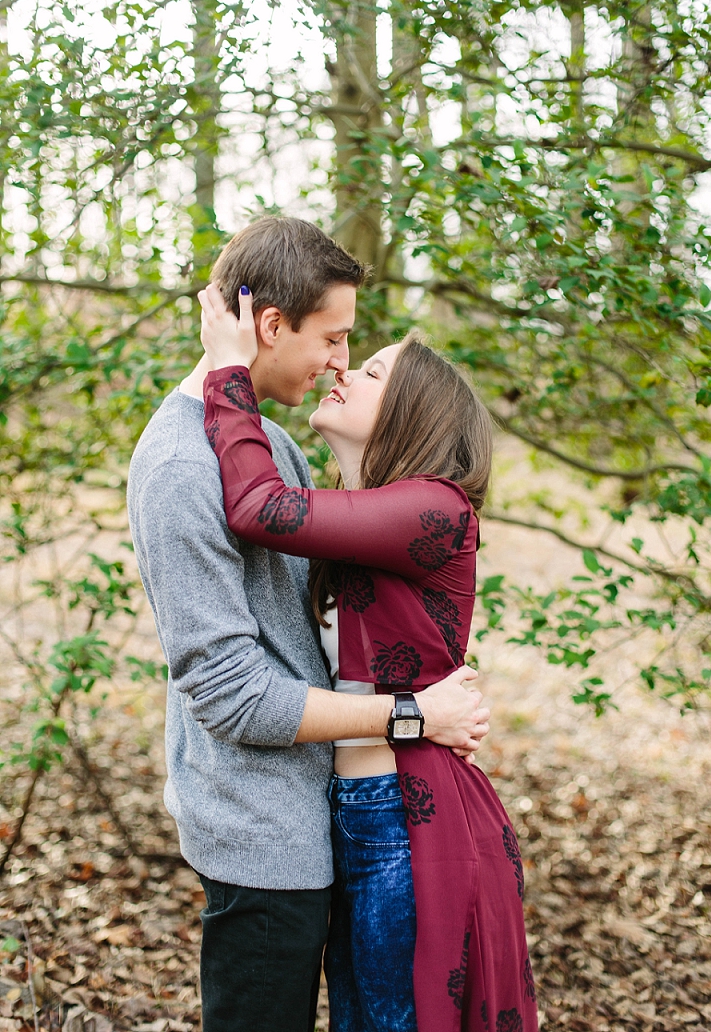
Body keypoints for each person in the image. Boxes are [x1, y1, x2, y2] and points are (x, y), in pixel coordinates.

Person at [127, 217, 489, 1032]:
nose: (336, 362)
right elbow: (232, 694)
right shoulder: (186, 467)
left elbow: (325, 620)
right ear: (269, 325)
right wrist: (414, 715)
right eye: (334, 339)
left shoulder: (272, 445)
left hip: (326, 816)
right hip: (262, 837)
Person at [199, 282, 539, 1032]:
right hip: (351, 806)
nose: (343, 370)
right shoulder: (356, 521)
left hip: (407, 815)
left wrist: (228, 368)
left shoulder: (436, 507)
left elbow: (257, 508)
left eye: (375, 372)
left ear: (413, 414)